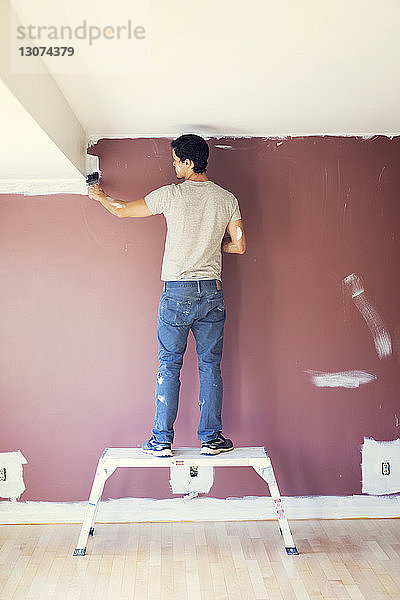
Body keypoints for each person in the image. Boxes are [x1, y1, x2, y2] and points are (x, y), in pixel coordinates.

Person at [88, 134, 246, 457]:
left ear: (189, 163)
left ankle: (161, 440)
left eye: (176, 161)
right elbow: (240, 245)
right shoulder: (227, 199)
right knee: (210, 366)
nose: (173, 165)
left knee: (169, 365)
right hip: (211, 294)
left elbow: (121, 211)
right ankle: (212, 439)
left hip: (177, 294)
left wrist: (99, 195)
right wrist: (214, 247)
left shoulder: (172, 195)